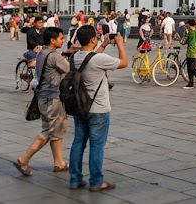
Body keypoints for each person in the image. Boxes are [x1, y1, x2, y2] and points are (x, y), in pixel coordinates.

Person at [69, 26, 127, 192]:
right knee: (96, 146)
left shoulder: (74, 56)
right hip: (98, 109)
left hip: (80, 107)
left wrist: (104, 44)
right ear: (93, 39)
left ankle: (75, 179)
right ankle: (96, 181)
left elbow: (91, 57)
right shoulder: (98, 60)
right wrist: (120, 44)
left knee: (78, 143)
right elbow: (123, 63)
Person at [13, 27, 70, 176]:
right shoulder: (54, 56)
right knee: (49, 130)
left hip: (42, 97)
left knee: (55, 129)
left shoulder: (41, 53)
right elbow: (67, 69)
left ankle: (59, 162)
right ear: (52, 40)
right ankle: (23, 159)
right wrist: (65, 58)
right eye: (60, 38)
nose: (62, 41)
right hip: (52, 98)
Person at [180, 19, 196, 90]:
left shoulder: (190, 32)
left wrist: (181, 40)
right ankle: (191, 83)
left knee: (191, 68)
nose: (186, 26)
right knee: (190, 68)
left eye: (187, 24)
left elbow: (184, 41)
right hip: (195, 52)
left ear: (189, 25)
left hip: (191, 52)